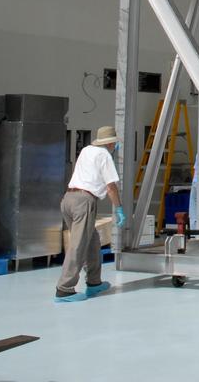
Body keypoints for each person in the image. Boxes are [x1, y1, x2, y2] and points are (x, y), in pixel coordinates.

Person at [56, 125, 126, 303]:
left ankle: (94, 282)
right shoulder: (105, 156)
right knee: (78, 245)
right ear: (110, 143)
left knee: (92, 241)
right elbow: (111, 186)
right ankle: (64, 289)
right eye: (114, 144)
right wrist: (119, 208)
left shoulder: (87, 150)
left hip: (68, 200)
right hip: (84, 202)